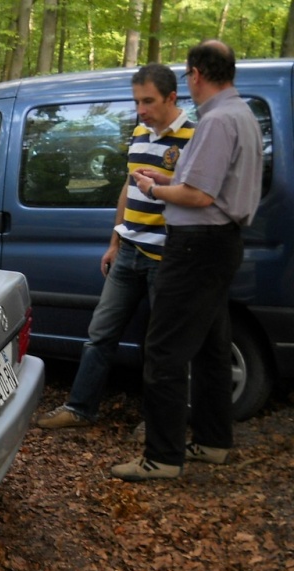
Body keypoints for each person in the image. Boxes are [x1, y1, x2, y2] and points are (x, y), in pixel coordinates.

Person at [112, 40, 263, 481]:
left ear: (196, 74)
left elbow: (199, 196)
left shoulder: (216, 120)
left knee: (164, 351)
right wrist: (169, 177)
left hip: (197, 245)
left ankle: (162, 456)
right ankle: (214, 442)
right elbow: (203, 181)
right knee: (213, 347)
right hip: (219, 243)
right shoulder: (241, 115)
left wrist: (156, 190)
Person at [37, 63, 195, 430]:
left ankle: (159, 423)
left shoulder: (193, 136)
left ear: (172, 98)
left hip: (166, 256)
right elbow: (128, 187)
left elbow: (196, 194)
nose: (141, 110)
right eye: (137, 101)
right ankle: (79, 409)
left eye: (149, 101)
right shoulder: (140, 132)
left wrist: (164, 182)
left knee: (162, 348)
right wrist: (115, 240)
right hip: (129, 251)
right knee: (100, 333)